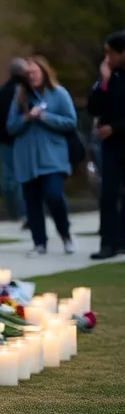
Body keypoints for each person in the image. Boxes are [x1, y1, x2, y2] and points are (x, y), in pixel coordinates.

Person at [7, 56, 77, 257]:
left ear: (44, 73)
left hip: (52, 157)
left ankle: (65, 234)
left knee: (54, 195)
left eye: (35, 73)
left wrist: (46, 117)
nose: (31, 77)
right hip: (26, 159)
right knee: (32, 201)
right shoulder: (20, 97)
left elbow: (70, 121)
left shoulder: (58, 94)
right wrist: (27, 117)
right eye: (28, 74)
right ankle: (39, 243)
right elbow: (10, 127)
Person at [89, 31, 125, 259]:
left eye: (110, 53)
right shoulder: (110, 78)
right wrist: (104, 82)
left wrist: (115, 127)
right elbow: (94, 108)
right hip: (111, 147)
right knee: (108, 193)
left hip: (119, 136)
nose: (107, 58)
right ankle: (108, 242)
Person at [0, 58, 29, 228]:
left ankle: (14, 211)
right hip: (19, 140)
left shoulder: (1, 92)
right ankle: (22, 213)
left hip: (5, 141)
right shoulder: (25, 92)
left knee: (8, 179)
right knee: (20, 179)